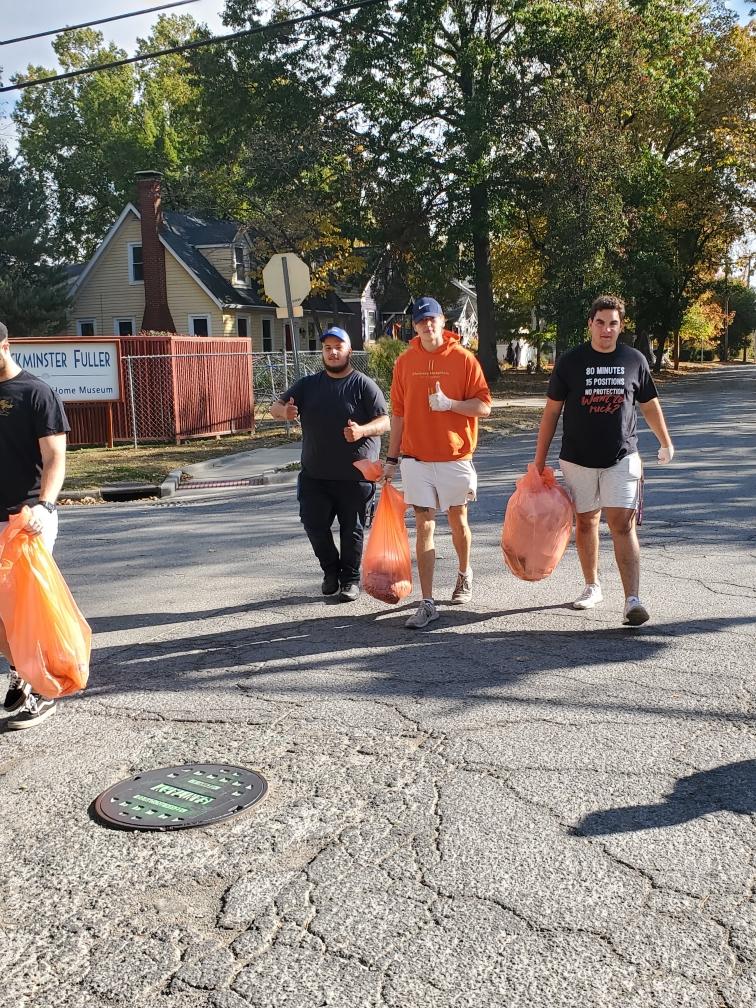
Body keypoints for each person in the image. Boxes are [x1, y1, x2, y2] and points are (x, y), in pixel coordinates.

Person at [532, 294, 674, 626]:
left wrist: (665, 441)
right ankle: (592, 585)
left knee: (622, 524)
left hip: (622, 457)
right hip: (577, 460)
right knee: (586, 522)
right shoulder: (570, 362)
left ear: (620, 326)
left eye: (613, 323)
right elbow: (551, 412)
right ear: (590, 324)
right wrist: (538, 462)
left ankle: (632, 600)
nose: (606, 329)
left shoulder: (634, 359)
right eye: (600, 322)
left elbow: (650, 404)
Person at [383, 297, 492, 629]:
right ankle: (427, 602)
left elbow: (484, 406)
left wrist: (451, 405)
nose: (427, 325)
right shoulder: (405, 363)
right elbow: (398, 414)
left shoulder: (464, 359)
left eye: (433, 319)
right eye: (421, 321)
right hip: (416, 458)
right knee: (424, 525)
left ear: (443, 322)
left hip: (453, 455)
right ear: (415, 326)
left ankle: (464, 572)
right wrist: (391, 457)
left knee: (458, 521)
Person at [271, 326, 389, 602]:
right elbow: (276, 407)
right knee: (313, 524)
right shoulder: (308, 385)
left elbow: (385, 421)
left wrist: (361, 431)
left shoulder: (363, 385)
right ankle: (330, 571)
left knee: (353, 530)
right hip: (316, 475)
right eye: (328, 348)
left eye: (338, 347)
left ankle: (350, 579)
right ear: (322, 352)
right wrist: (283, 413)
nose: (333, 352)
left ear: (349, 350)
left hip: (355, 476)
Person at [0, 321, 70, 728]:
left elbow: (55, 456)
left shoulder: (35, 393)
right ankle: (22, 673)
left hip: (25, 518)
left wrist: (45, 505)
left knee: (23, 611)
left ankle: (39, 689)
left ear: (6, 345)